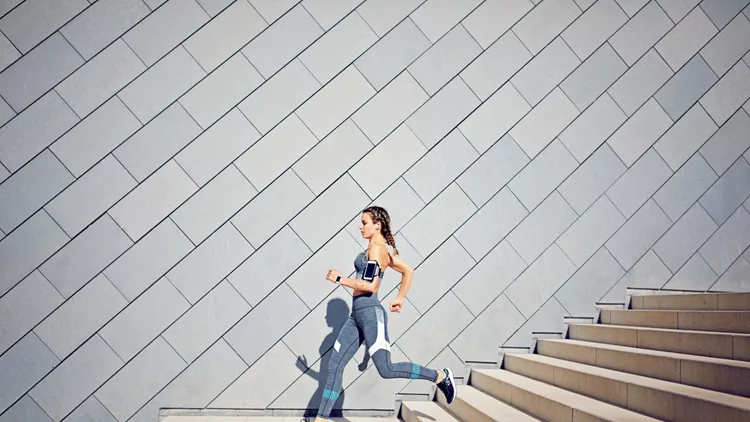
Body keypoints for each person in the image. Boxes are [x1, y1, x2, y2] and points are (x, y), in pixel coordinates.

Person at [313, 206, 456, 421]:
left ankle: (439, 376)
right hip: (356, 316)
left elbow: (369, 286)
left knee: (386, 369)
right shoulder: (377, 250)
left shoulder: (378, 249)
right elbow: (408, 271)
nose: (360, 227)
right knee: (335, 364)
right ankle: (320, 419)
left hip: (370, 313)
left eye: (364, 222)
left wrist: (340, 279)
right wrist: (399, 298)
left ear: (376, 225)